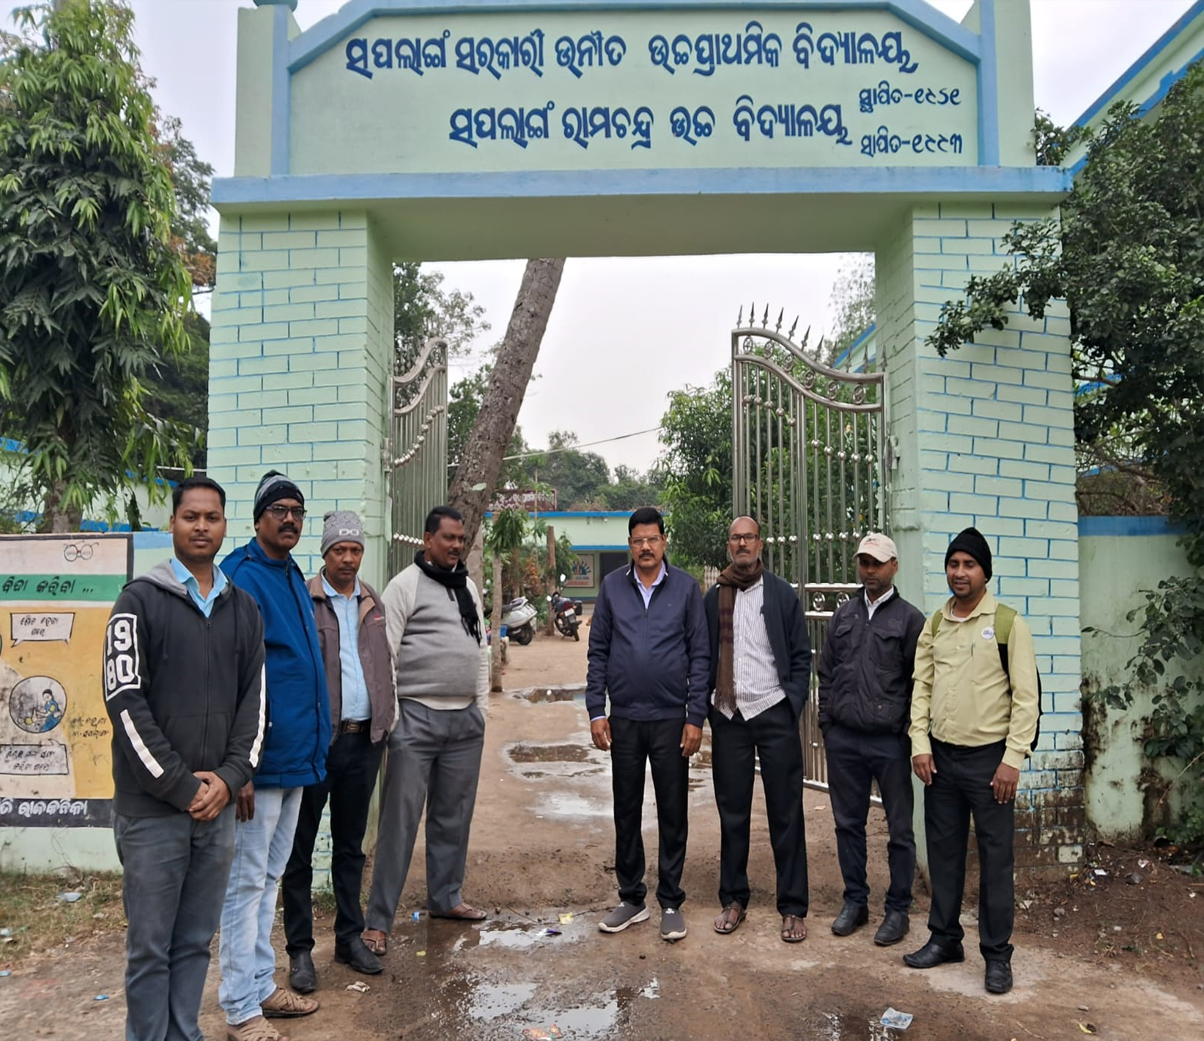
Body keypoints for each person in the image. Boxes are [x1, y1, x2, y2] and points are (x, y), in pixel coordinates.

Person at [104, 476, 266, 1041]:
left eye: (212, 517)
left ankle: (184, 1033)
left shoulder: (243, 608)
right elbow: (124, 702)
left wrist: (227, 779)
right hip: (152, 811)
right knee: (150, 948)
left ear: (226, 526)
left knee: (196, 940)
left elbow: (255, 705)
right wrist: (181, 787)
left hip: (215, 808)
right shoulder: (137, 602)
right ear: (171, 524)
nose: (201, 526)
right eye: (190, 516)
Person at [218, 471, 332, 1041]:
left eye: (297, 511)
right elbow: (230, 677)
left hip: (296, 758)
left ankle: (261, 983)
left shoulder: (289, 574)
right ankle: (239, 1005)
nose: (290, 519)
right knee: (246, 883)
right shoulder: (240, 577)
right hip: (257, 766)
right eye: (279, 510)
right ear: (258, 517)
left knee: (268, 875)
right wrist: (236, 764)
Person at [905, 527, 1040, 995]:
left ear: (984, 571)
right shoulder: (936, 624)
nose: (959, 573)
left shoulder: (1007, 623)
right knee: (943, 857)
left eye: (969, 565)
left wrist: (1012, 760)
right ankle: (944, 940)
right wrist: (919, 743)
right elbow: (920, 687)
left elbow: (1027, 699)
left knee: (996, 860)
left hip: (990, 764)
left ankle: (998, 956)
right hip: (940, 760)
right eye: (953, 564)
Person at [362, 505, 490, 956]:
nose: (456, 545)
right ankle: (378, 922)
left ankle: (446, 898)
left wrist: (481, 710)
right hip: (415, 718)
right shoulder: (405, 586)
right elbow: (387, 654)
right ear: (426, 539)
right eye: (448, 538)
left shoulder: (468, 587)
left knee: (453, 817)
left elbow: (480, 651)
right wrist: (395, 718)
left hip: (464, 721)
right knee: (400, 822)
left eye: (461, 539)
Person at [282, 512, 396, 993]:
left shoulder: (372, 601)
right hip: (317, 744)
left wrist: (385, 720)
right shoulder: (305, 600)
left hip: (364, 740)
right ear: (325, 553)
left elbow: (381, 661)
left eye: (354, 550)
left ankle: (349, 939)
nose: (347, 559)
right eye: (338, 551)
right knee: (299, 850)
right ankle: (301, 953)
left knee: (351, 847)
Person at [586, 506, 709, 941]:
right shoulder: (611, 588)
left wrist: (696, 717)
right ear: (629, 544)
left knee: (673, 811)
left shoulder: (687, 589)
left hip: (672, 720)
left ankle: (671, 900)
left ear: (664, 542)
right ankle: (632, 898)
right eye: (637, 540)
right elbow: (598, 650)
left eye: (652, 539)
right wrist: (596, 711)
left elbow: (700, 655)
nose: (645, 547)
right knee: (626, 808)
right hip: (625, 720)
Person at [704, 516, 812, 943]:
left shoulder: (782, 595)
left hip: (773, 712)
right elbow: (701, 653)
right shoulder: (714, 598)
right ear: (729, 545)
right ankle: (733, 899)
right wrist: (711, 707)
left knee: (786, 812)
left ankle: (793, 906)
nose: (743, 543)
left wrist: (791, 704)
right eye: (736, 537)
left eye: (749, 537)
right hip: (729, 716)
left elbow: (802, 655)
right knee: (733, 814)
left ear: (760, 543)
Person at [817, 532, 924, 946]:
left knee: (899, 830)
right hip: (845, 740)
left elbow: (920, 683)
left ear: (894, 566)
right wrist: (828, 723)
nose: (870, 570)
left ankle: (898, 910)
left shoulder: (909, 620)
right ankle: (855, 902)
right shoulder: (843, 615)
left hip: (890, 743)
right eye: (864, 562)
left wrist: (906, 735)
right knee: (848, 825)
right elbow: (825, 672)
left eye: (877, 563)